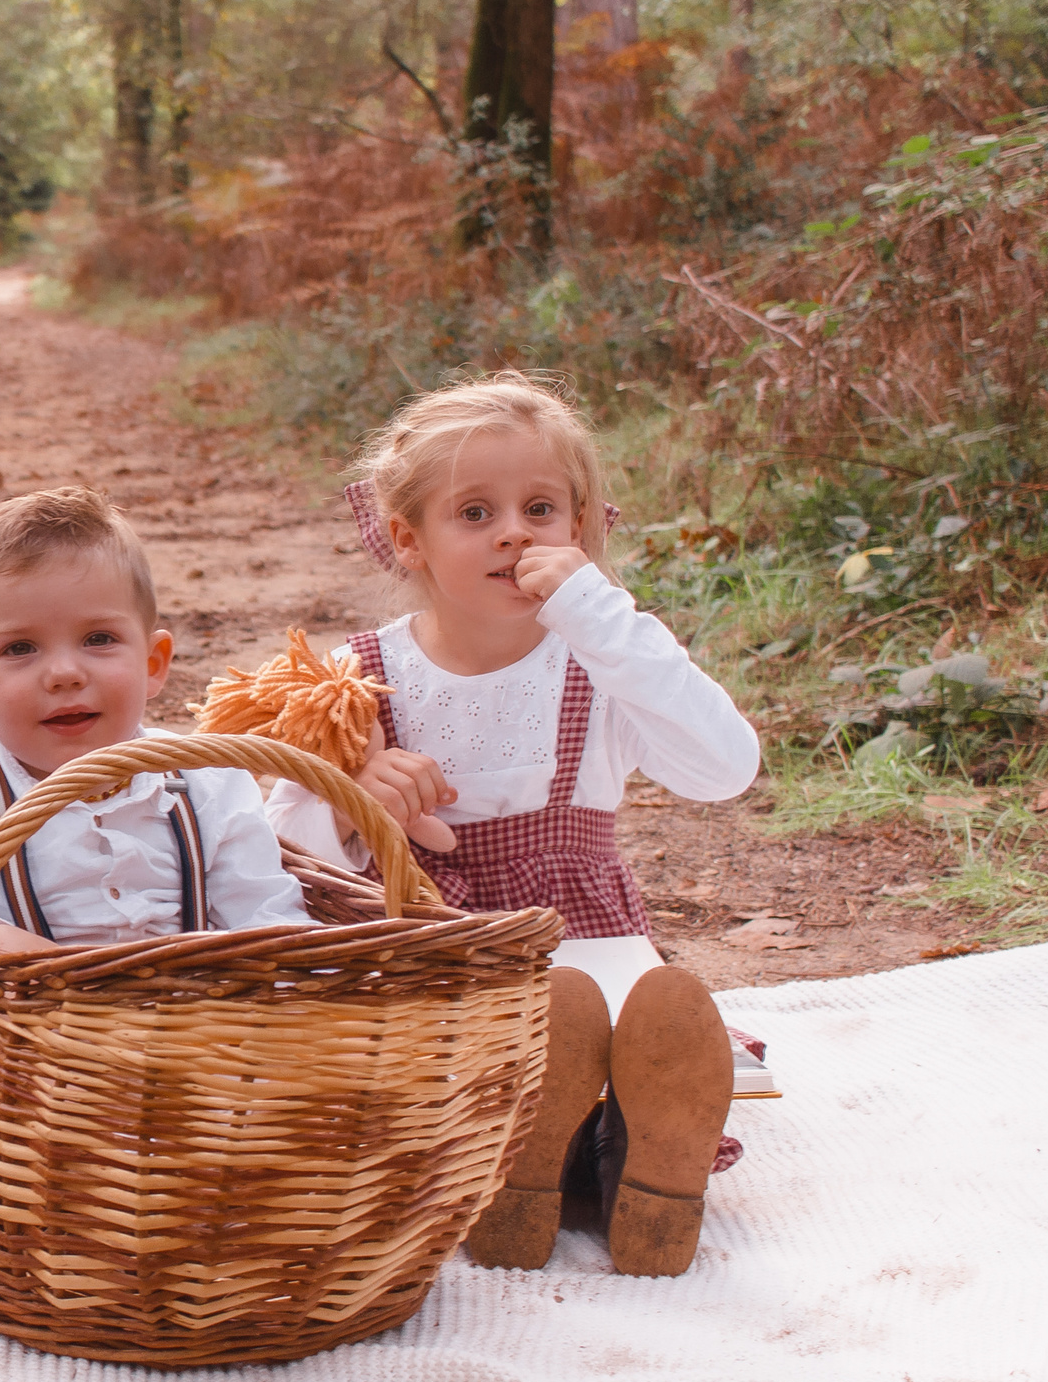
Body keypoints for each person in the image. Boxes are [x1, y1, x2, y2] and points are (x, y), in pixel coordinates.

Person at [265, 371, 761, 1278]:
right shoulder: (358, 675)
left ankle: (625, 1167)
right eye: (476, 512)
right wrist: (353, 793)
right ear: (408, 538)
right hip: (427, 951)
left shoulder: (602, 660)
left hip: (579, 946)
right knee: (412, 1071)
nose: (513, 533)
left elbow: (726, 768)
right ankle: (529, 1157)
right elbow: (275, 855)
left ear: (583, 527)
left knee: (598, 1026)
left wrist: (601, 612)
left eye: (542, 508)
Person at [0, 485, 315, 957]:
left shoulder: (211, 783)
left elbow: (271, 924)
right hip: (12, 1023)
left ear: (153, 663)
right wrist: (24, 957)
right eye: (20, 649)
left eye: (99, 638)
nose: (65, 674)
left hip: (200, 1018)